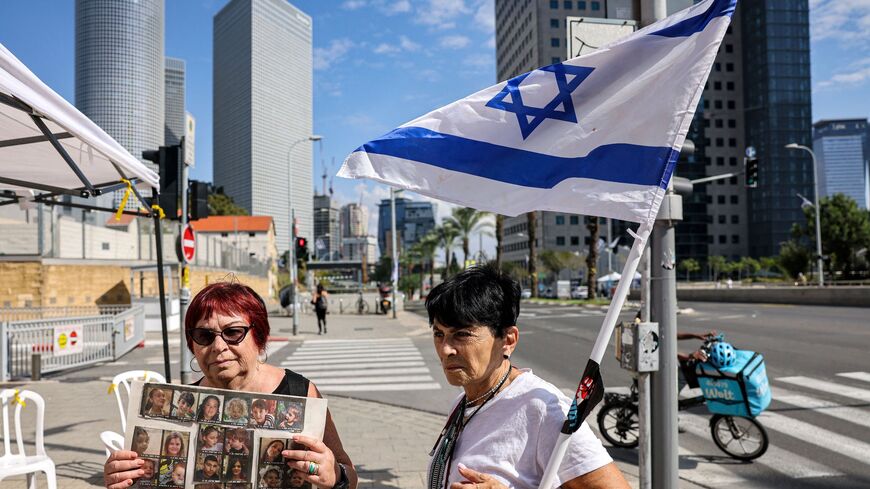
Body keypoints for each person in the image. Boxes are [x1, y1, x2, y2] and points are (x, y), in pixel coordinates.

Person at [104, 282, 357, 489]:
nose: (218, 346)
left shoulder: (300, 392)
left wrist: (335, 475)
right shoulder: (181, 404)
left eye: (233, 332)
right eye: (204, 335)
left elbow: (349, 474)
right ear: (193, 345)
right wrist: (121, 477)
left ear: (259, 337)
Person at [423, 266, 628, 489]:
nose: (445, 350)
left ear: (508, 340)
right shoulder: (464, 401)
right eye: (438, 334)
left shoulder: (544, 409)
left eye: (462, 334)